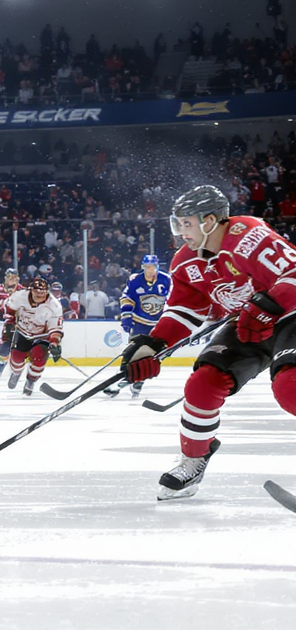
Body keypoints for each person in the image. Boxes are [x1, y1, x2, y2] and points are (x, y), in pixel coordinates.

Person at [121, 185, 296, 500]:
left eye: (186, 223)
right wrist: (153, 345)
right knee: (203, 383)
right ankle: (194, 459)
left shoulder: (248, 235)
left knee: (291, 388)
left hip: (290, 313)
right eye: (178, 224)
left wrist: (269, 303)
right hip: (247, 322)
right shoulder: (185, 261)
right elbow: (184, 311)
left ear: (210, 221)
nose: (180, 231)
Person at [106, 254, 171, 398]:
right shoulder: (135, 280)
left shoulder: (166, 280)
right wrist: (127, 317)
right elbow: (127, 298)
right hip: (140, 323)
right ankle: (120, 378)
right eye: (147, 267)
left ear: (157, 267)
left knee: (152, 358)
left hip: (158, 325)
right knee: (131, 353)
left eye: (152, 267)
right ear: (143, 267)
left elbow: (172, 300)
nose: (150, 270)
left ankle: (138, 383)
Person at [1, 277, 66, 396]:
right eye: (37, 293)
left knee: (39, 358)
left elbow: (55, 329)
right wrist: (10, 322)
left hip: (42, 335)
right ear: (30, 290)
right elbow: (9, 309)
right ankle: (16, 373)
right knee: (16, 358)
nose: (40, 296)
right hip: (22, 331)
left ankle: (31, 381)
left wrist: (54, 343)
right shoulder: (19, 296)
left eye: (43, 293)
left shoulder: (54, 306)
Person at [0, 268, 22, 379]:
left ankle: (16, 374)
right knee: (3, 350)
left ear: (17, 279)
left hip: (19, 325)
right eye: (9, 277)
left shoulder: (23, 291)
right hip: (3, 323)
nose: (11, 279)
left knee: (20, 350)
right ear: (5, 278)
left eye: (14, 277)